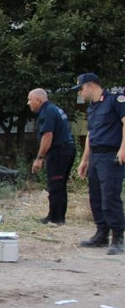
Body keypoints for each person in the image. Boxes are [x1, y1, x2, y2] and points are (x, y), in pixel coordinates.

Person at [73, 73, 125, 255]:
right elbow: (90, 135)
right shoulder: (93, 108)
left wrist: (123, 149)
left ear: (91, 86)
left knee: (110, 196)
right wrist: (84, 160)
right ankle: (101, 234)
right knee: (95, 197)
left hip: (111, 156)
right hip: (96, 156)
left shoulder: (115, 100)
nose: (80, 93)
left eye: (81, 88)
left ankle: (118, 236)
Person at [27, 88, 76, 225]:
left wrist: (39, 158)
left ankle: (55, 218)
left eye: (30, 99)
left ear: (38, 100)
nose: (28, 103)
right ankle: (57, 216)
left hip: (59, 151)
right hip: (67, 149)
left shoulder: (47, 111)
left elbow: (48, 136)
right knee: (60, 185)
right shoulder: (54, 109)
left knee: (55, 184)